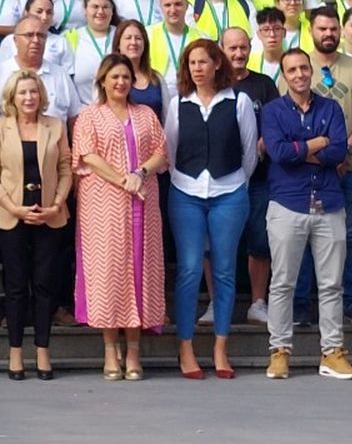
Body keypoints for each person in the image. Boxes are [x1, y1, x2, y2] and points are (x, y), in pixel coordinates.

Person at [163, 37, 258, 379]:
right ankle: (185, 347)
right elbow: (169, 150)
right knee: (188, 269)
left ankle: (220, 346)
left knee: (224, 270)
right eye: (192, 63)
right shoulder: (177, 104)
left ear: (217, 64)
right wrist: (186, 180)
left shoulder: (239, 102)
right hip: (186, 192)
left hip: (229, 191)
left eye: (203, 62)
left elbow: (249, 152)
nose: (198, 69)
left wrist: (234, 183)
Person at [261, 48, 352, 379]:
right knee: (283, 282)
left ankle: (331, 352)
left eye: (304, 68)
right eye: (292, 70)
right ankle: (280, 352)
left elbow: (339, 151)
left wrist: (302, 149)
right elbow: (279, 153)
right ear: (284, 75)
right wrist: (317, 142)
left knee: (331, 284)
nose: (300, 74)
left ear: (311, 70)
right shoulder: (273, 111)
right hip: (287, 204)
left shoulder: (330, 107)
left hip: (329, 204)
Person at [73, 53, 168, 379]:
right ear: (102, 80)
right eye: (114, 77)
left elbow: (160, 151)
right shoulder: (89, 116)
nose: (120, 82)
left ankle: (134, 353)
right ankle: (110, 351)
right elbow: (88, 155)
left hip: (143, 201)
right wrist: (123, 179)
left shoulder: (145, 115)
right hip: (104, 205)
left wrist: (139, 173)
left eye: (125, 77)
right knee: (110, 274)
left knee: (142, 273)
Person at [0, 70, 72, 379]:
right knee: (17, 286)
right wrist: (14, 208)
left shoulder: (55, 126)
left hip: (49, 215)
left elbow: (65, 168)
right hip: (12, 216)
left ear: (41, 95)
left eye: (33, 92)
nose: (29, 98)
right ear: (12, 97)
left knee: (46, 285)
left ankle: (44, 352)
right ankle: (16, 353)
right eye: (22, 92)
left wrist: (56, 204)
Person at [293, 7, 352, 329]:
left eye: (332, 29)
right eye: (322, 29)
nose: (327, 34)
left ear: (340, 32)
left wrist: (344, 151)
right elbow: (289, 113)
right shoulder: (300, 66)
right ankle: (301, 304)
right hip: (308, 169)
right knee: (303, 236)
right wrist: (319, 156)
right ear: (311, 30)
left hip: (351, 167)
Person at [219, 25, 277, 324]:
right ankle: (218, 303)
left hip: (260, 178)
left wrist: (266, 138)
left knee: (259, 240)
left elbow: (276, 120)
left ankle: (257, 302)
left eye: (243, 47)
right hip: (219, 179)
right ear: (222, 50)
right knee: (219, 242)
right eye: (233, 48)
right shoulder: (214, 86)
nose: (239, 53)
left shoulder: (264, 85)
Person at [70, 0, 118, 107]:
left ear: (112, 10)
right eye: (95, 7)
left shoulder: (122, 35)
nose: (100, 11)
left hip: (119, 112)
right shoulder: (71, 38)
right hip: (84, 113)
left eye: (105, 7)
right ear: (85, 10)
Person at [114, 18, 164, 116]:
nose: (133, 42)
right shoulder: (107, 77)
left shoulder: (156, 78)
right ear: (118, 44)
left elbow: (166, 118)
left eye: (138, 38)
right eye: (128, 38)